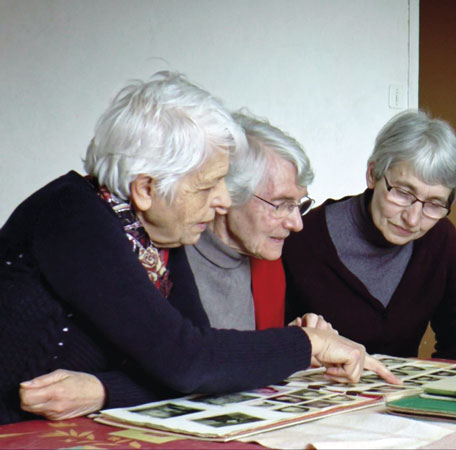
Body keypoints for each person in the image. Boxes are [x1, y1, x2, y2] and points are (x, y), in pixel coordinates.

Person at [0, 71, 397, 425]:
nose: (225, 200)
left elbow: (197, 365)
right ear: (145, 189)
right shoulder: (73, 217)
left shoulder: (160, 238)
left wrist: (103, 390)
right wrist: (306, 345)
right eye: (208, 186)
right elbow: (188, 361)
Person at [280, 110, 456, 361]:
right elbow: (276, 345)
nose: (413, 219)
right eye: (403, 193)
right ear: (372, 174)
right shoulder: (302, 238)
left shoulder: (441, 239)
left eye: (434, 204)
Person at [186, 110, 317, 331]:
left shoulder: (268, 264)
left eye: (297, 204)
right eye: (281, 204)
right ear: (228, 192)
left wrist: (297, 340)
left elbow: (255, 358)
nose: (297, 224)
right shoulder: (168, 258)